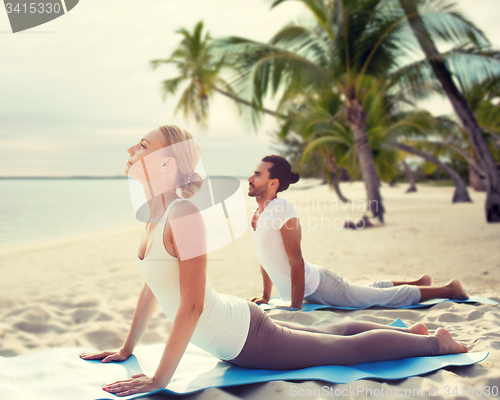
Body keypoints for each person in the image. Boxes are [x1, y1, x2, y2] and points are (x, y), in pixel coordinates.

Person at [79, 126, 468, 397]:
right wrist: (128, 348)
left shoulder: (183, 215)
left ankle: (436, 344)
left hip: (244, 339)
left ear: (165, 164)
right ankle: (413, 334)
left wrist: (160, 379)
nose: (132, 150)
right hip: (236, 322)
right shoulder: (154, 216)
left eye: (143, 146)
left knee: (341, 352)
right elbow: (153, 285)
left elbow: (193, 305)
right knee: (329, 336)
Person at [247, 155, 469, 310]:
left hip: (318, 287)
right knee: (363, 291)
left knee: (379, 298)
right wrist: (266, 296)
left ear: (273, 182)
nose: (250, 178)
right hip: (311, 288)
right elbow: (264, 257)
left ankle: (449, 289)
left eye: (257, 174)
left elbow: (296, 259)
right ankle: (419, 281)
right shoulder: (257, 213)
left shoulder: (282, 209)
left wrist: (296, 306)